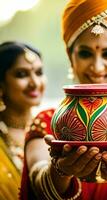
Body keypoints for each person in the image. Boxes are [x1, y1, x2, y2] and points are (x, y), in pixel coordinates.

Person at [20, 0, 107, 199]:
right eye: (85, 54)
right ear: (70, 56)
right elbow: (37, 179)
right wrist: (60, 171)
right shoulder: (49, 122)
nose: (97, 67)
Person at [0, 41, 46, 200]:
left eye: (39, 72)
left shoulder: (51, 129)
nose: (35, 83)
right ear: (2, 83)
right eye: (21, 74)